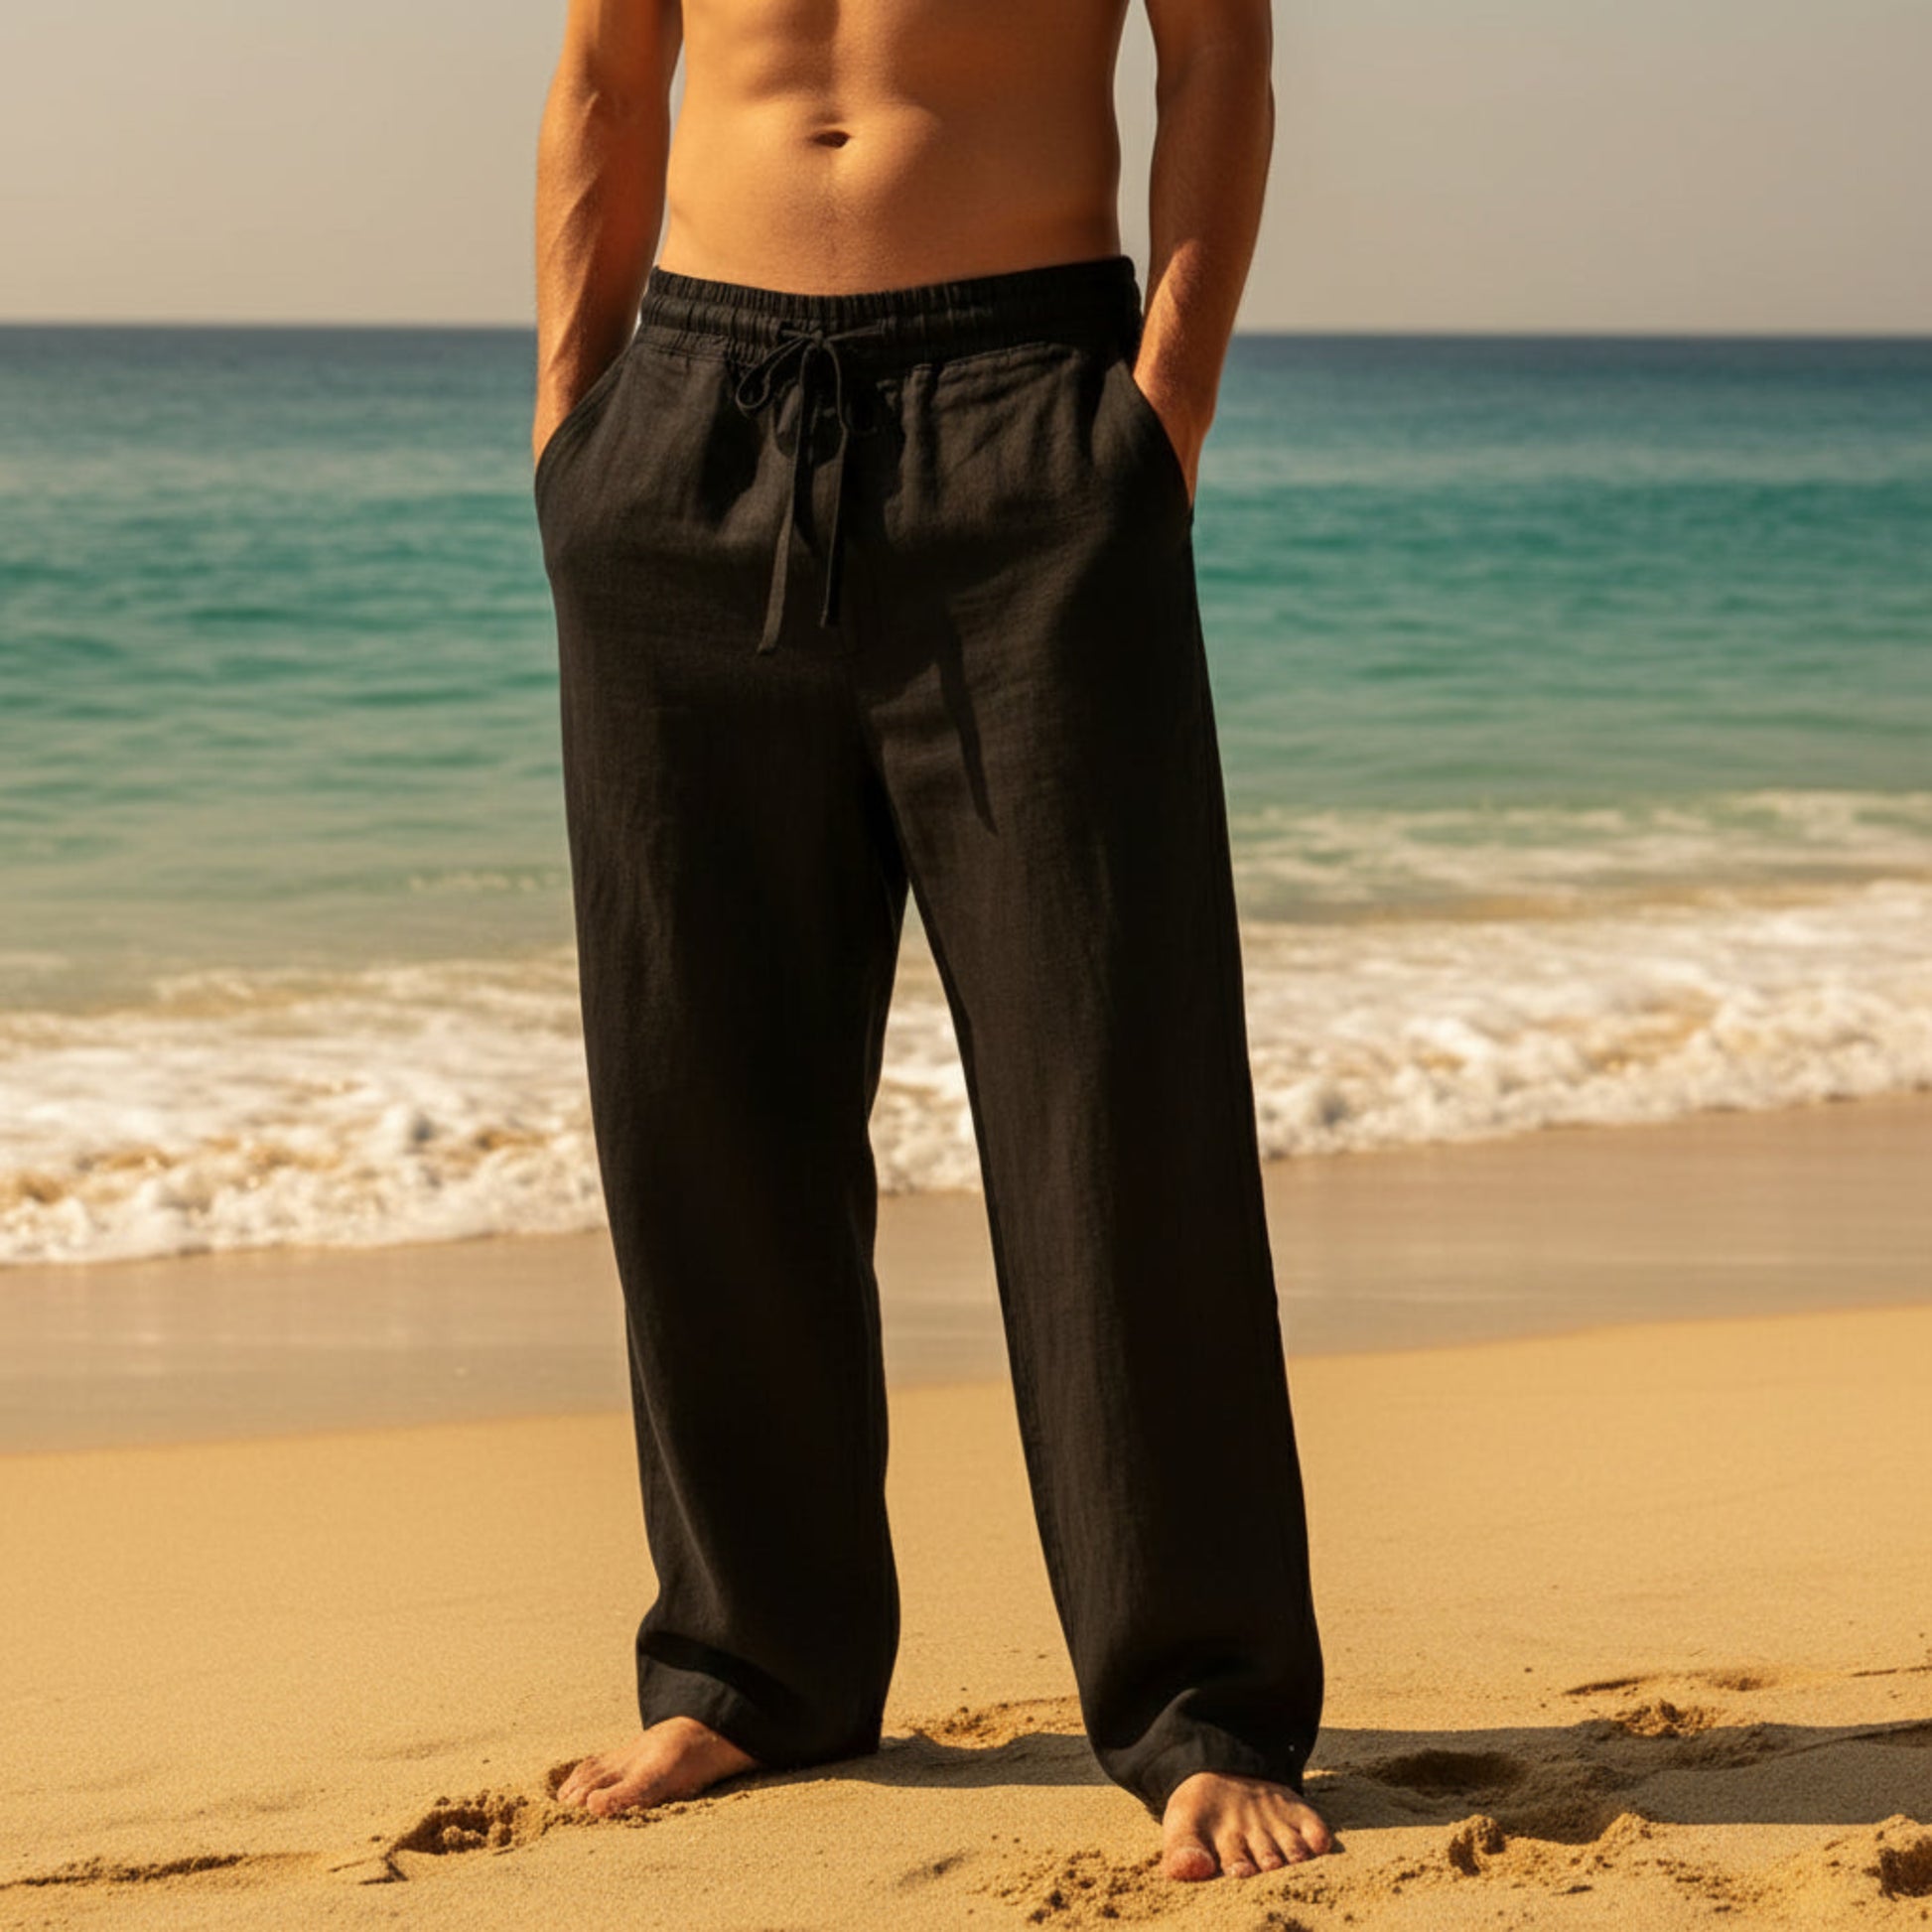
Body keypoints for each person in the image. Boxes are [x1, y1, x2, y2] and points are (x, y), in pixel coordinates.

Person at [530, 0, 1331, 1884]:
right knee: (699, 1093)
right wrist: (577, 424)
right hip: (688, 424)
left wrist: (1160, 416)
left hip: (1025, 418)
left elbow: (1216, 59)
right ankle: (754, 1663)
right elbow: (601, 72)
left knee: (1108, 1092)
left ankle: (1199, 1702)